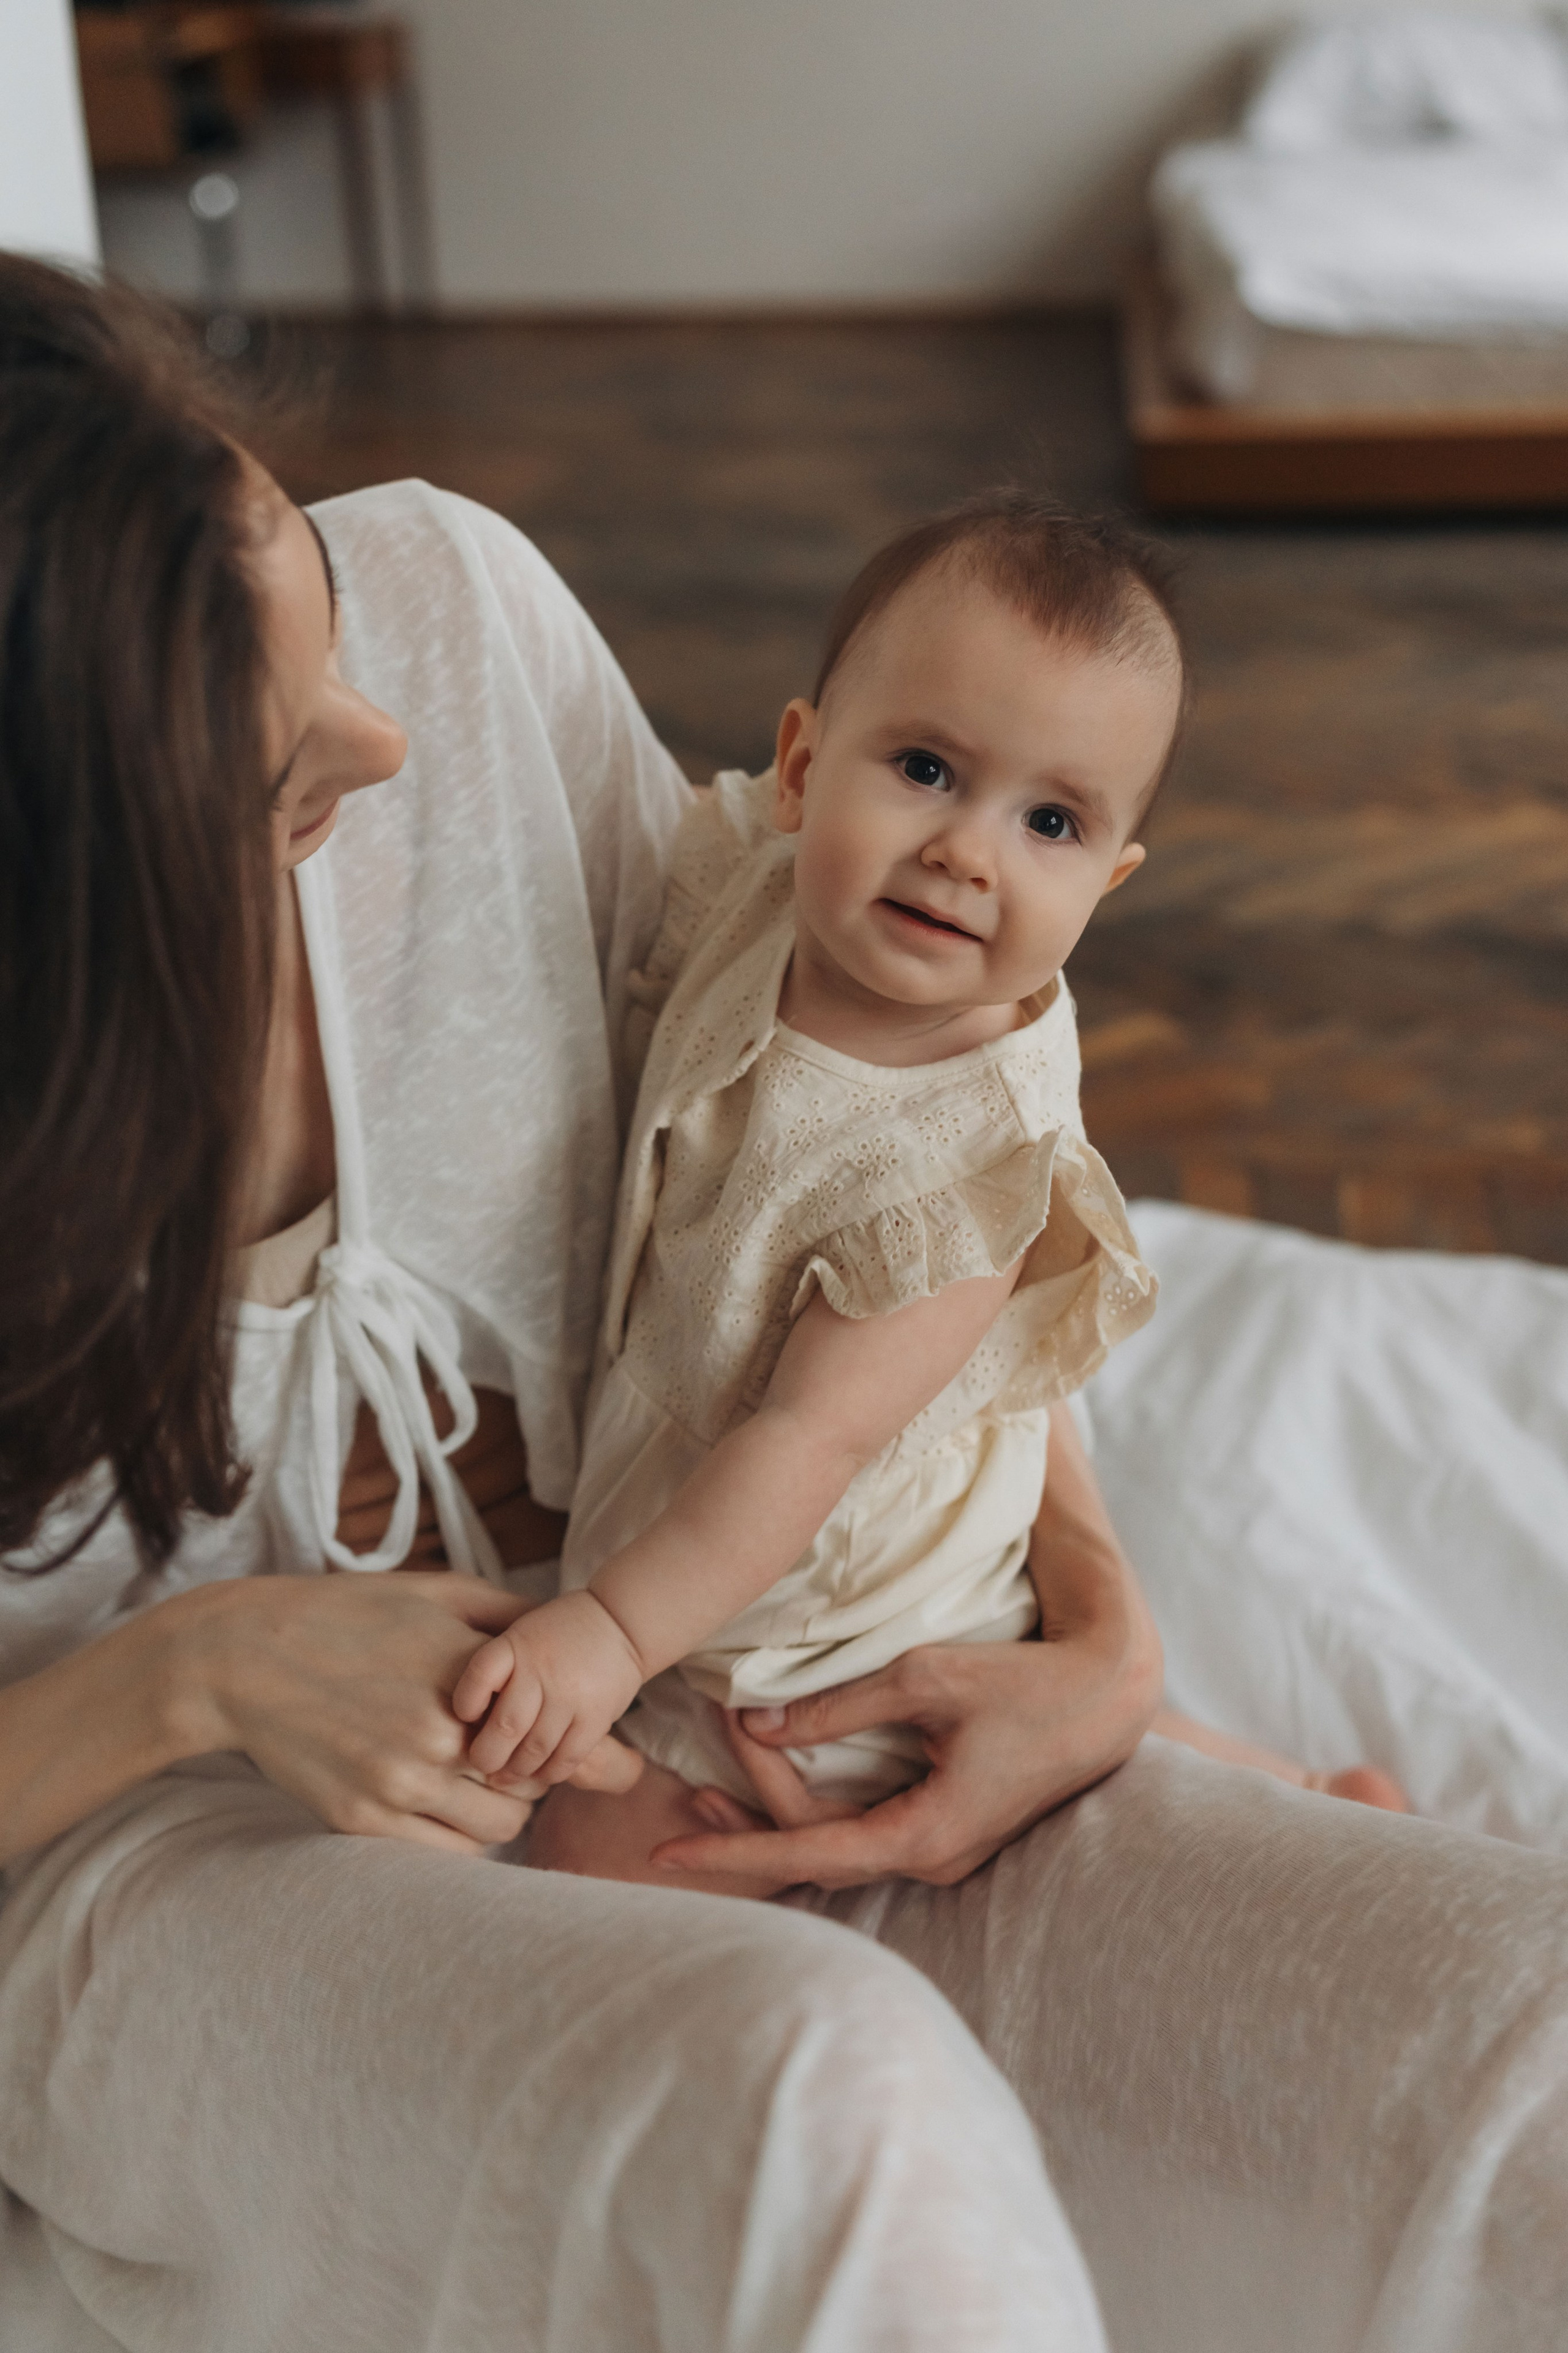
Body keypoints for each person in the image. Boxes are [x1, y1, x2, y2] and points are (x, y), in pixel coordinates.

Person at [2, 255, 1567, 2353]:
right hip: (158, 1862)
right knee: (823, 2100)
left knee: (1515, 2040)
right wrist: (192, 1674)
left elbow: (881, 1147)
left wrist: (1099, 1625)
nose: (380, 739)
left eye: (308, 593)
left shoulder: (450, 632)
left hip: (731, 1690)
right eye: (269, 749)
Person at [458, 495, 1404, 1881]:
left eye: (1050, 821)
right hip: (695, 1491)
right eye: (921, 766)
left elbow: (806, 1446)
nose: (970, 852)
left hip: (831, 1608)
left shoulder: (962, 1174)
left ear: (1109, 879)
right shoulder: (755, 884)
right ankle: (1299, 1781)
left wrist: (608, 1632)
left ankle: (1297, 1802)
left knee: (601, 1854)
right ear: (798, 766)